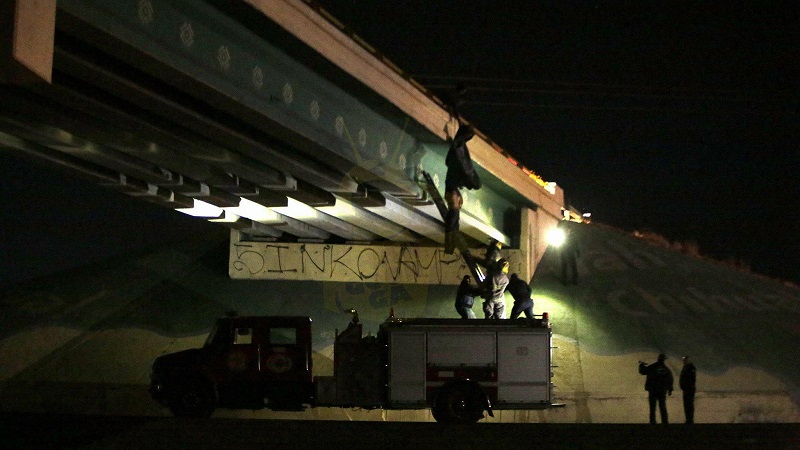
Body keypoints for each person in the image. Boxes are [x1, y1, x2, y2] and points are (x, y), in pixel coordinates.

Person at [443, 124, 481, 254]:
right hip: (452, 190)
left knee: (454, 216)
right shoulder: (458, 152)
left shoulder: (458, 151)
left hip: (452, 189)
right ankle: (450, 245)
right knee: (454, 216)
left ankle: (450, 244)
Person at [638, 353, 674, 424]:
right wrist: (670, 389)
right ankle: (665, 421)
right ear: (664, 359)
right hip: (662, 390)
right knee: (662, 406)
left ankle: (652, 421)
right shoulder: (666, 369)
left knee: (652, 407)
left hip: (653, 390)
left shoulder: (652, 367)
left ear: (658, 358)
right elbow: (670, 380)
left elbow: (643, 371)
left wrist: (641, 365)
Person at [680, 355, 697, 424]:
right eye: (683, 360)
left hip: (689, 389)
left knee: (689, 404)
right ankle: (688, 419)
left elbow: (692, 379)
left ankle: (690, 420)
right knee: (686, 404)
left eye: (685, 360)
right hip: (686, 389)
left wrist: (686, 385)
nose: (684, 361)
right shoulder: (685, 367)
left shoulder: (691, 368)